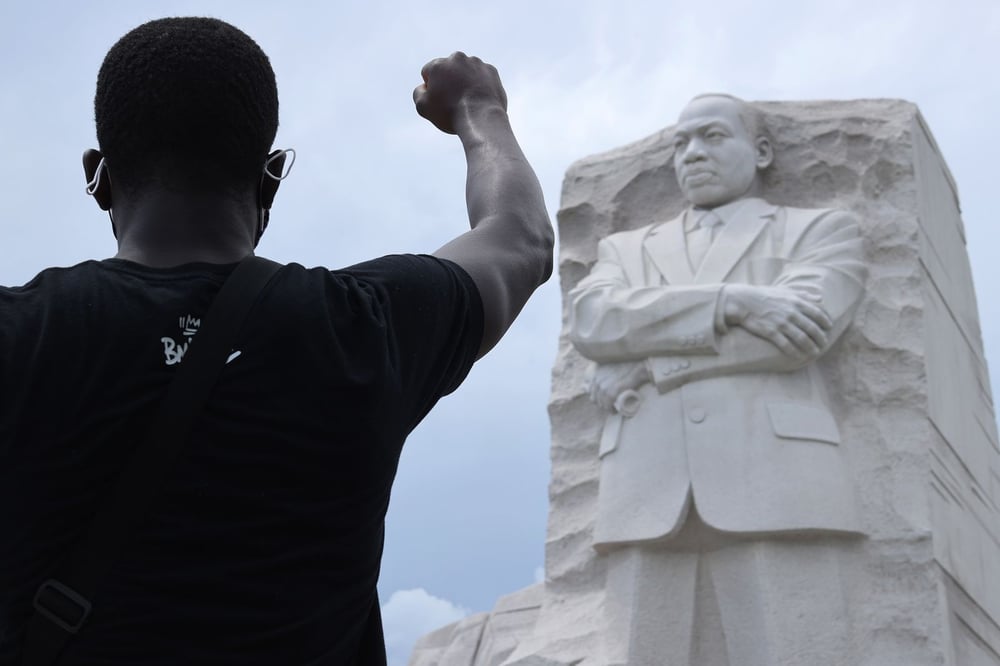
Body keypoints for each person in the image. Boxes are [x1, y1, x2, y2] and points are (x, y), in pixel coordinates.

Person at [0, 17, 552, 666]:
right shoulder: (365, 326)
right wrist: (478, 108)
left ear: (100, 177)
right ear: (268, 181)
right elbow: (521, 238)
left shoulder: (22, 334)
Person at [568, 94, 866, 665]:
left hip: (778, 480)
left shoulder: (818, 230)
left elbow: (801, 334)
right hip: (645, 486)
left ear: (761, 152)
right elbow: (593, 320)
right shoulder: (625, 250)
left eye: (711, 136)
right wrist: (734, 300)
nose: (692, 153)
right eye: (680, 143)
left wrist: (648, 365)